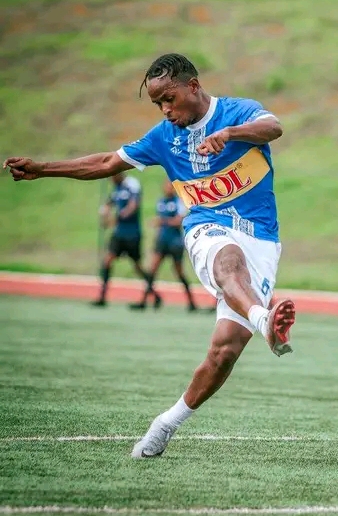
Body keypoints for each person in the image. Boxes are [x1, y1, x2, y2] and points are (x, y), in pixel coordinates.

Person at [4, 53, 296, 459]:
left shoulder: (237, 112)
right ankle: (264, 320)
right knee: (228, 260)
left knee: (224, 352)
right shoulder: (163, 137)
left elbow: (274, 127)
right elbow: (107, 162)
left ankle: (165, 424)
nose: (165, 110)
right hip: (207, 228)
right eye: (158, 103)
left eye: (169, 99)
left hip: (261, 238)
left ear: (193, 86)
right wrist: (43, 168)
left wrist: (230, 134)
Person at [130, 179, 197, 312]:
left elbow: (179, 221)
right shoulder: (160, 202)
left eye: (170, 186)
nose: (168, 188)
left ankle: (192, 303)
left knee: (179, 272)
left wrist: (162, 221)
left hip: (175, 242)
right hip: (162, 241)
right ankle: (144, 301)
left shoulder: (179, 202)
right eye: (166, 186)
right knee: (152, 271)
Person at [94, 172, 160, 308]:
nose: (111, 180)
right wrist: (105, 211)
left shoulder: (132, 184)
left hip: (132, 234)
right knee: (107, 261)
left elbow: (133, 206)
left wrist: (117, 217)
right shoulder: (116, 188)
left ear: (119, 173)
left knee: (138, 267)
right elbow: (109, 202)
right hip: (118, 234)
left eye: (112, 176)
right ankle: (102, 297)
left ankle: (155, 294)